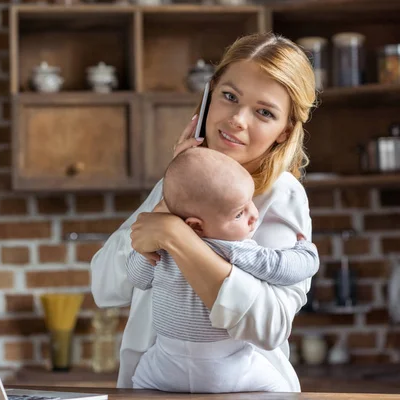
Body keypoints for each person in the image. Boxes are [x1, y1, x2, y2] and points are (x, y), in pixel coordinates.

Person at [90, 32, 317, 392]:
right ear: (208, 97)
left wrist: (177, 237)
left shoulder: (280, 194)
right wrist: (169, 200)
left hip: (243, 391)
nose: (238, 119)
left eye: (264, 112)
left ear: (283, 131)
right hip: (153, 386)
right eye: (229, 97)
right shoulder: (179, 179)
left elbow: (269, 325)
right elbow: (105, 287)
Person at [125, 146, 319, 393]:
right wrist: (307, 252)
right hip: (226, 369)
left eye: (250, 202)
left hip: (163, 368)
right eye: (240, 213)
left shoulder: (161, 250)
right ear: (195, 226)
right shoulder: (233, 249)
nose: (254, 215)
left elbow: (136, 278)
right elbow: (281, 268)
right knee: (282, 388)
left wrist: (147, 247)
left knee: (137, 385)